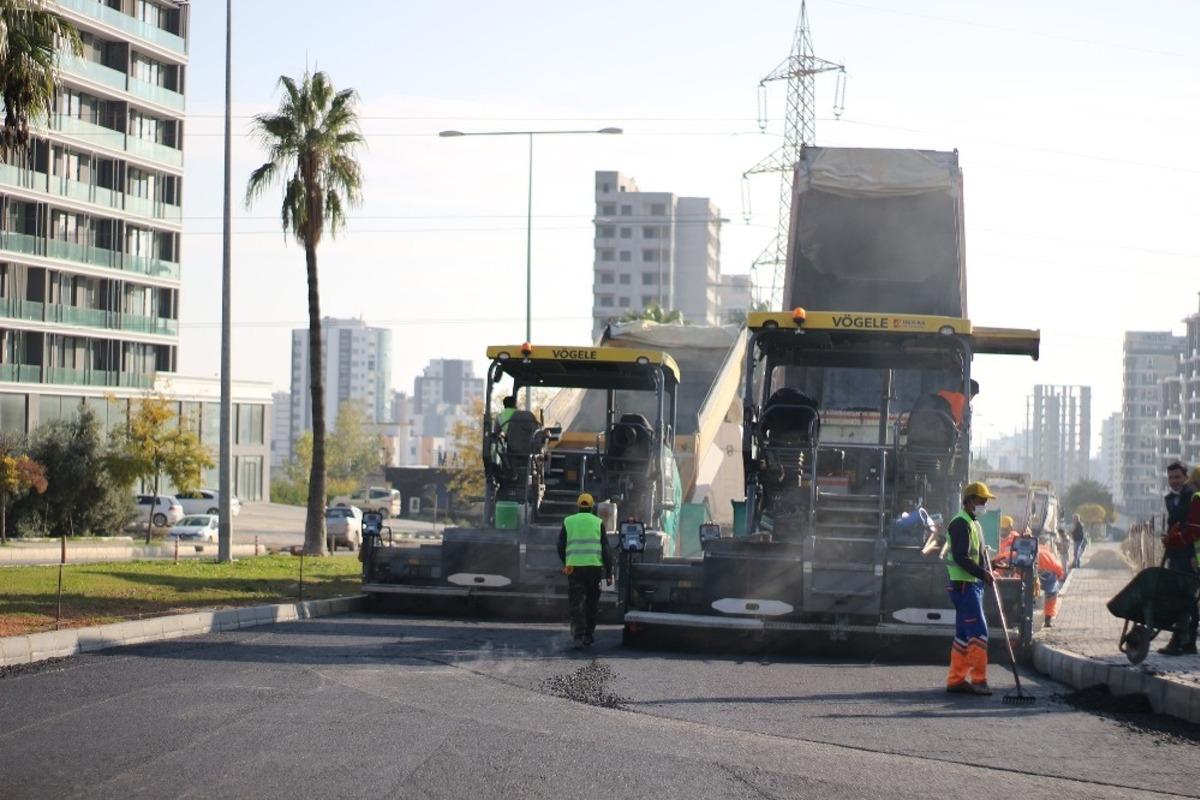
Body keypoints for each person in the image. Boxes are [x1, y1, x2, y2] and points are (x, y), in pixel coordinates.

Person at [944, 481, 996, 696]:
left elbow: (978, 554)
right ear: (969, 500)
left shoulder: (974, 524)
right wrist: (983, 573)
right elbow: (961, 557)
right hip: (964, 586)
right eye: (981, 500)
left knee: (964, 635)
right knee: (979, 633)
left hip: (971, 585)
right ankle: (979, 680)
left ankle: (956, 680)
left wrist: (991, 568)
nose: (984, 503)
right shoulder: (960, 523)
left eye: (985, 500)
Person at [557, 493, 613, 648]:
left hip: (574, 568)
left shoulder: (568, 521)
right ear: (592, 506)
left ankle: (577, 634)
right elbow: (605, 549)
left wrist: (566, 562)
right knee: (592, 602)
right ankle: (588, 635)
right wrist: (609, 572)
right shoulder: (598, 522)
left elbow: (560, 547)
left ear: (578, 506)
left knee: (576, 601)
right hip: (594, 569)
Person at [1159, 462, 1197, 655]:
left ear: (1185, 477)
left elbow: (1191, 527)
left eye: (1178, 477)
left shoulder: (1192, 496)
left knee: (1183, 597)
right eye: (1171, 478)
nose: (1174, 481)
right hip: (1176, 553)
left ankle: (1178, 641)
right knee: (1186, 598)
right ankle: (1189, 643)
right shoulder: (1170, 498)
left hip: (1189, 554)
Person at [1036, 534, 1066, 627]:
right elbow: (1058, 569)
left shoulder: (1032, 552)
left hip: (1033, 581)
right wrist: (1060, 576)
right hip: (1047, 583)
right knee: (1052, 595)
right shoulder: (1049, 555)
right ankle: (1047, 620)